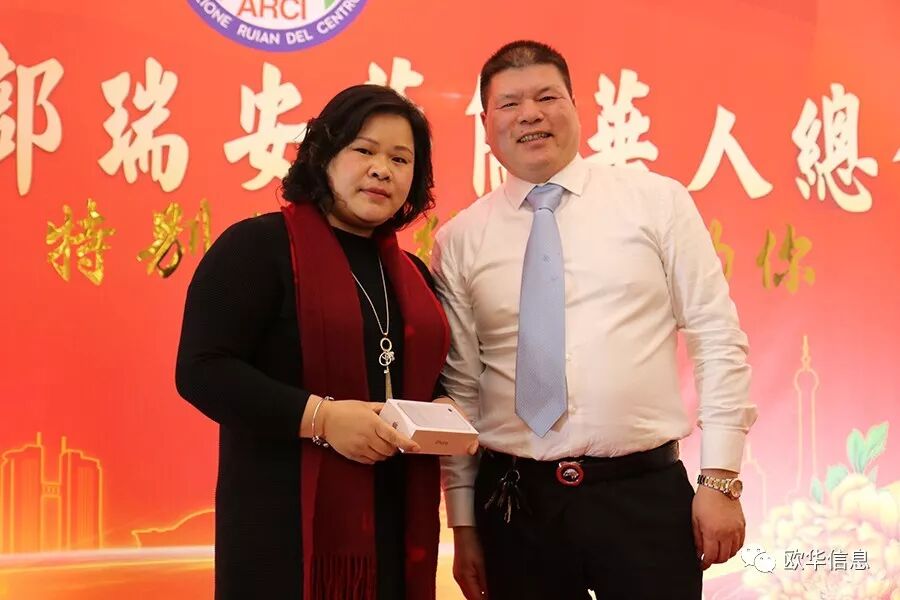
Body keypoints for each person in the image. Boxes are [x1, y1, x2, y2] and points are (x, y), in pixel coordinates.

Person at [432, 41, 757, 599]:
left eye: (547, 97)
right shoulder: (460, 239)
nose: (530, 114)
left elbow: (716, 335)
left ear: (576, 107)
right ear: (485, 125)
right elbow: (461, 390)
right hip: (515, 503)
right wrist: (463, 523)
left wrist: (721, 478)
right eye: (509, 104)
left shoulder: (656, 201)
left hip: (643, 495)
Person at [175, 84, 451, 600]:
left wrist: (441, 410)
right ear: (323, 154)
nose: (382, 170)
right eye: (364, 150)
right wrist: (321, 419)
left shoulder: (414, 274)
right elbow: (202, 369)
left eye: (400, 159)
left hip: (396, 521)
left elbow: (413, 376)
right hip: (282, 528)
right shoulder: (257, 247)